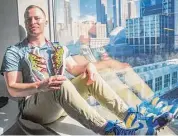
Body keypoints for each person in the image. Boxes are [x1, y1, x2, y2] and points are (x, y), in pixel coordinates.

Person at [0, 5, 172, 135]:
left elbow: (74, 69)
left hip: (57, 104)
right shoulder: (15, 51)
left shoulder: (57, 48)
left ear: (45, 21)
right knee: (61, 83)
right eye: (28, 19)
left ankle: (134, 119)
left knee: (89, 77)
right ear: (25, 23)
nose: (32, 22)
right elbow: (12, 89)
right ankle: (110, 131)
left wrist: (89, 66)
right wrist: (40, 86)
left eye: (37, 18)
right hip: (33, 109)